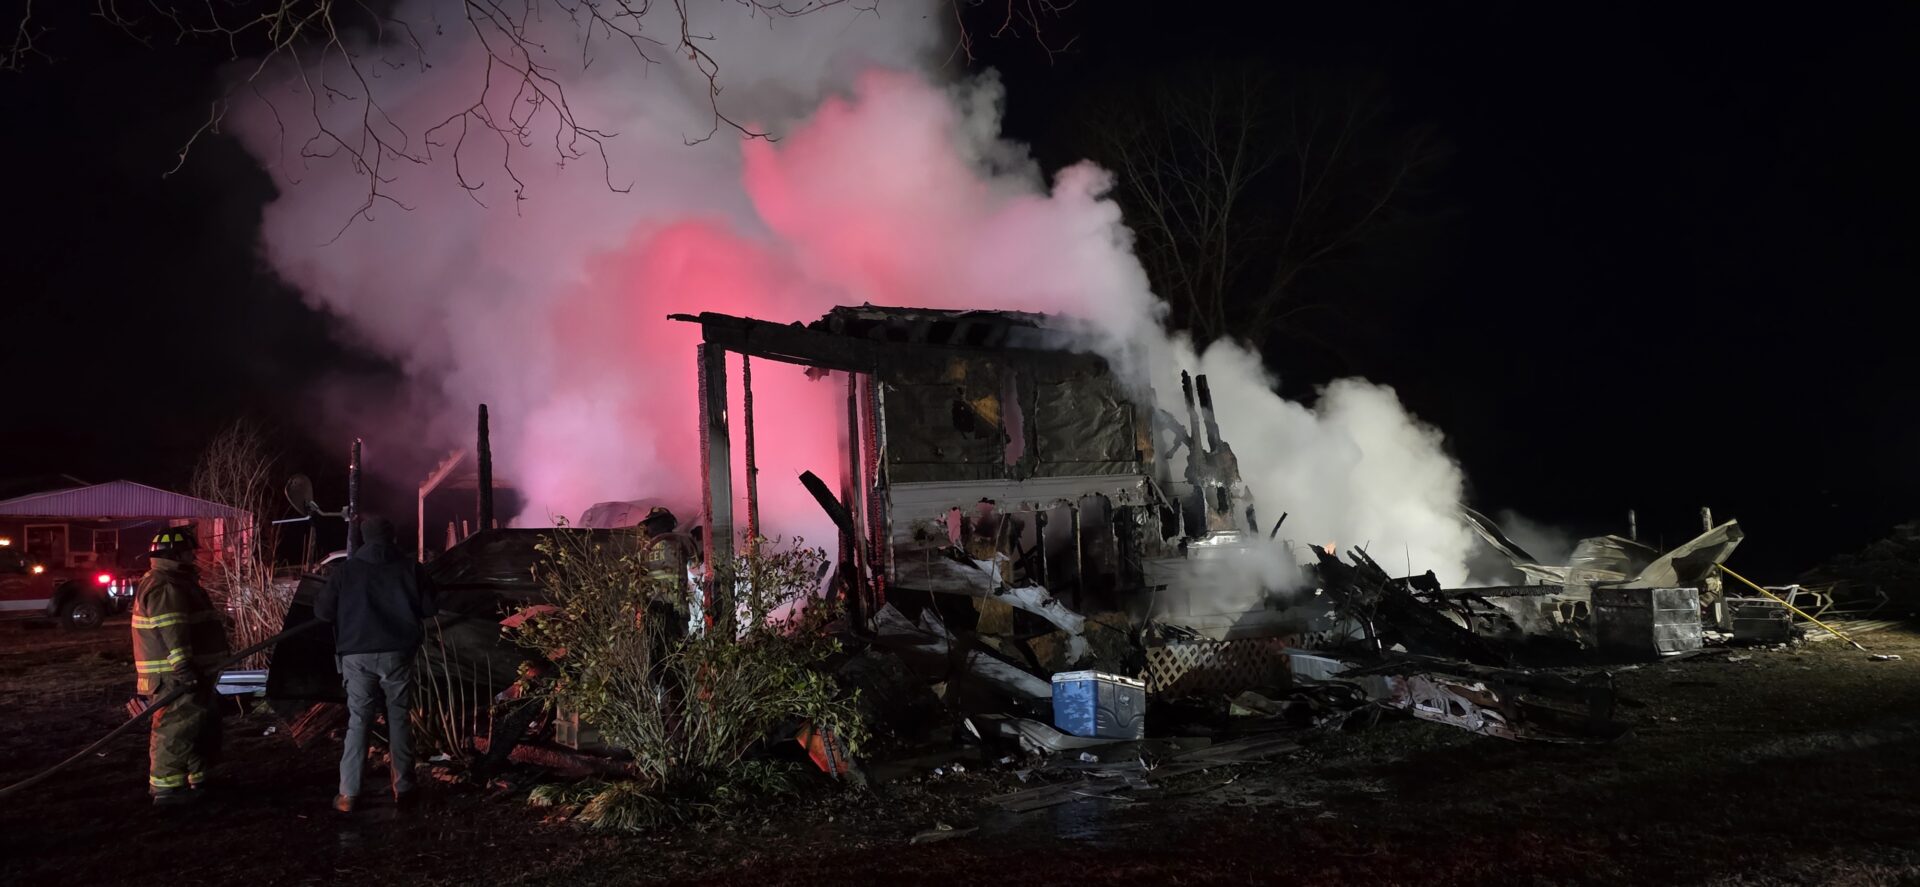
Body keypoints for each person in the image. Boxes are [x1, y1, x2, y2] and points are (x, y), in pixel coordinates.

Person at [315, 514, 436, 813]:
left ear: (364, 539)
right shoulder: (411, 568)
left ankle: (348, 794)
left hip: (356, 656)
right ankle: (404, 789)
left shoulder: (346, 571)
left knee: (359, 720)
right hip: (398, 654)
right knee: (399, 718)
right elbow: (430, 607)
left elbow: (323, 613)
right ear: (392, 537)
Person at [131, 526, 230, 807]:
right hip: (174, 675)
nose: (193, 556)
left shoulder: (177, 581)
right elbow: (172, 629)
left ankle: (199, 778)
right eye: (189, 552)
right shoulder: (165, 585)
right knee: (176, 729)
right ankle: (167, 790)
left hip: (191, 670)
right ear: (176, 554)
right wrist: (183, 666)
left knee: (196, 726)